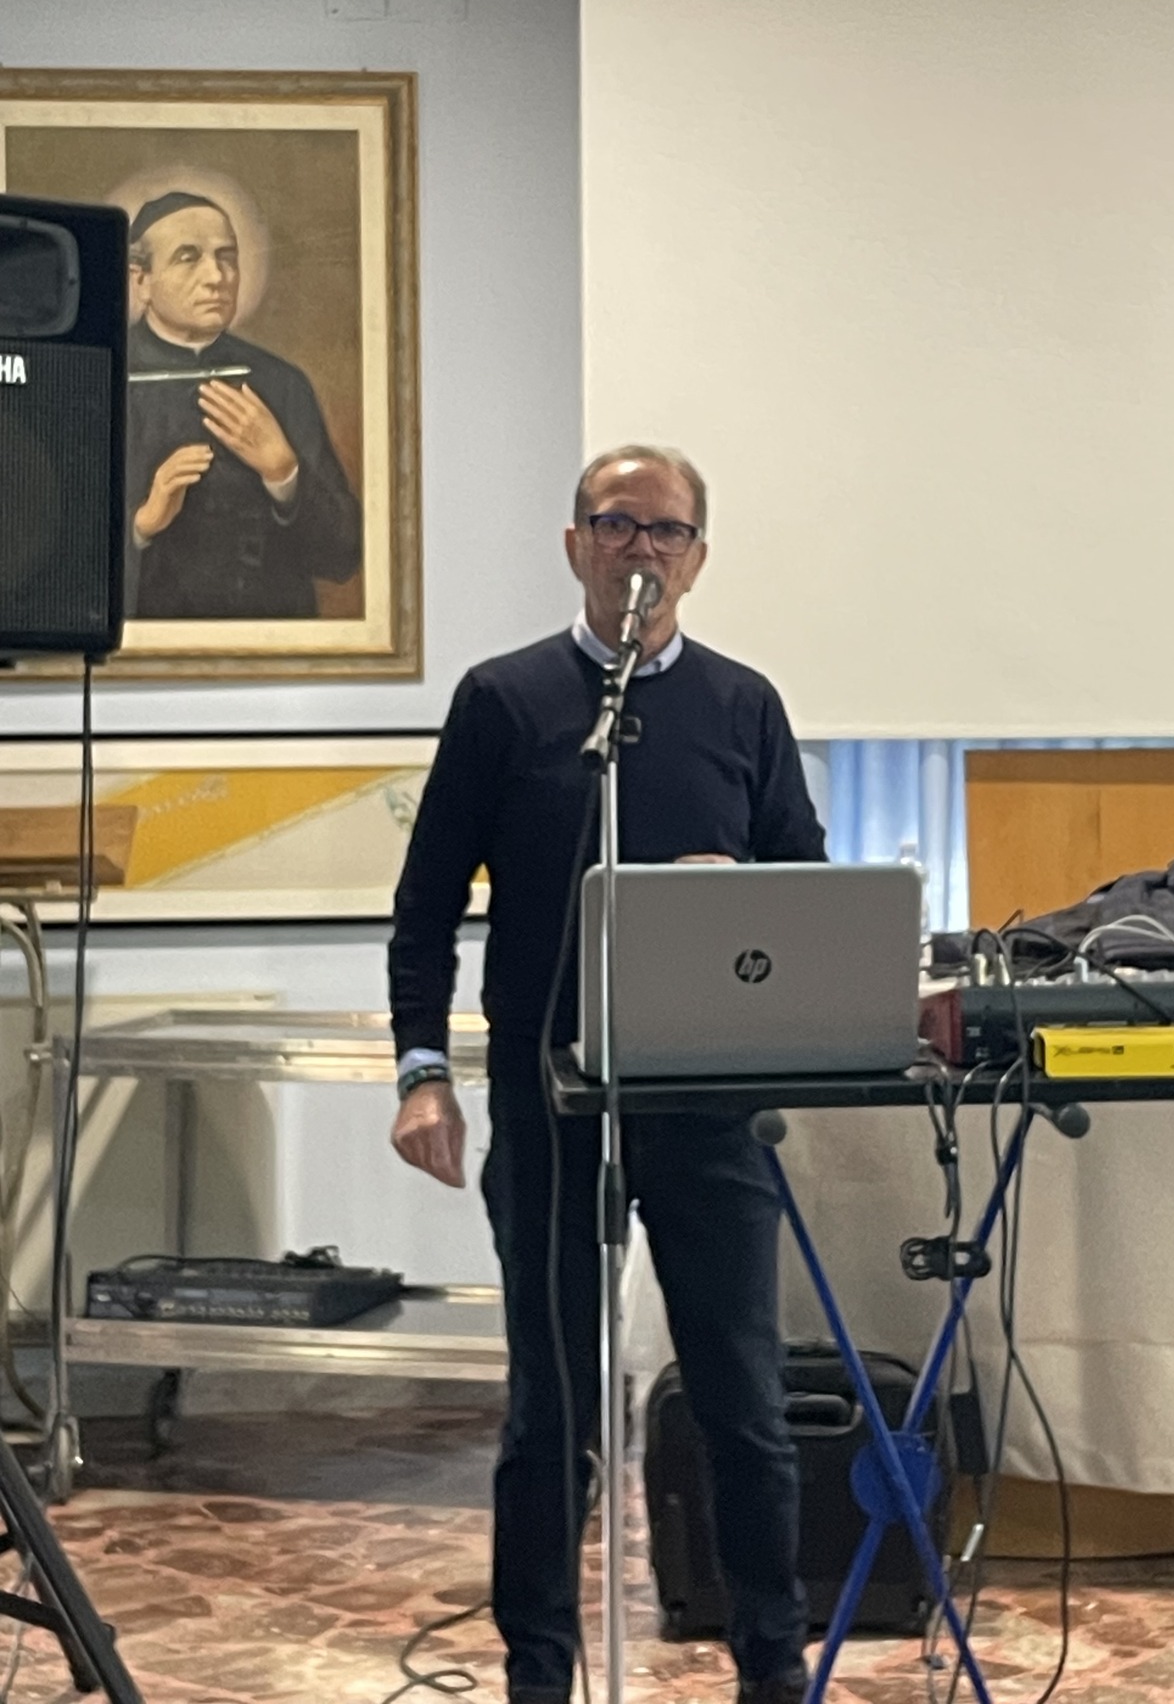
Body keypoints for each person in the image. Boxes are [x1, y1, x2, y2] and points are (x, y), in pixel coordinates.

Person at [388, 446, 825, 1704]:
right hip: (550, 1099)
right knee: (552, 1409)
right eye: (617, 523)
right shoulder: (507, 699)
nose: (642, 548)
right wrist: (424, 1069)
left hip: (705, 1101)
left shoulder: (743, 704)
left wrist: (740, 892)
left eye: (667, 530)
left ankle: (771, 1662)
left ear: (699, 556)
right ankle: (539, 1670)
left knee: (742, 1399)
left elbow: (807, 889)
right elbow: (426, 905)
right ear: (575, 541)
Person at [123, 190, 362, 618]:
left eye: (227, 257)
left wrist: (284, 473)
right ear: (141, 280)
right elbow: (50, 551)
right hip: (148, 642)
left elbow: (343, 556)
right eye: (188, 257)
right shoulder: (106, 377)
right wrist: (141, 525)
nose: (216, 276)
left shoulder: (281, 383)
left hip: (269, 642)